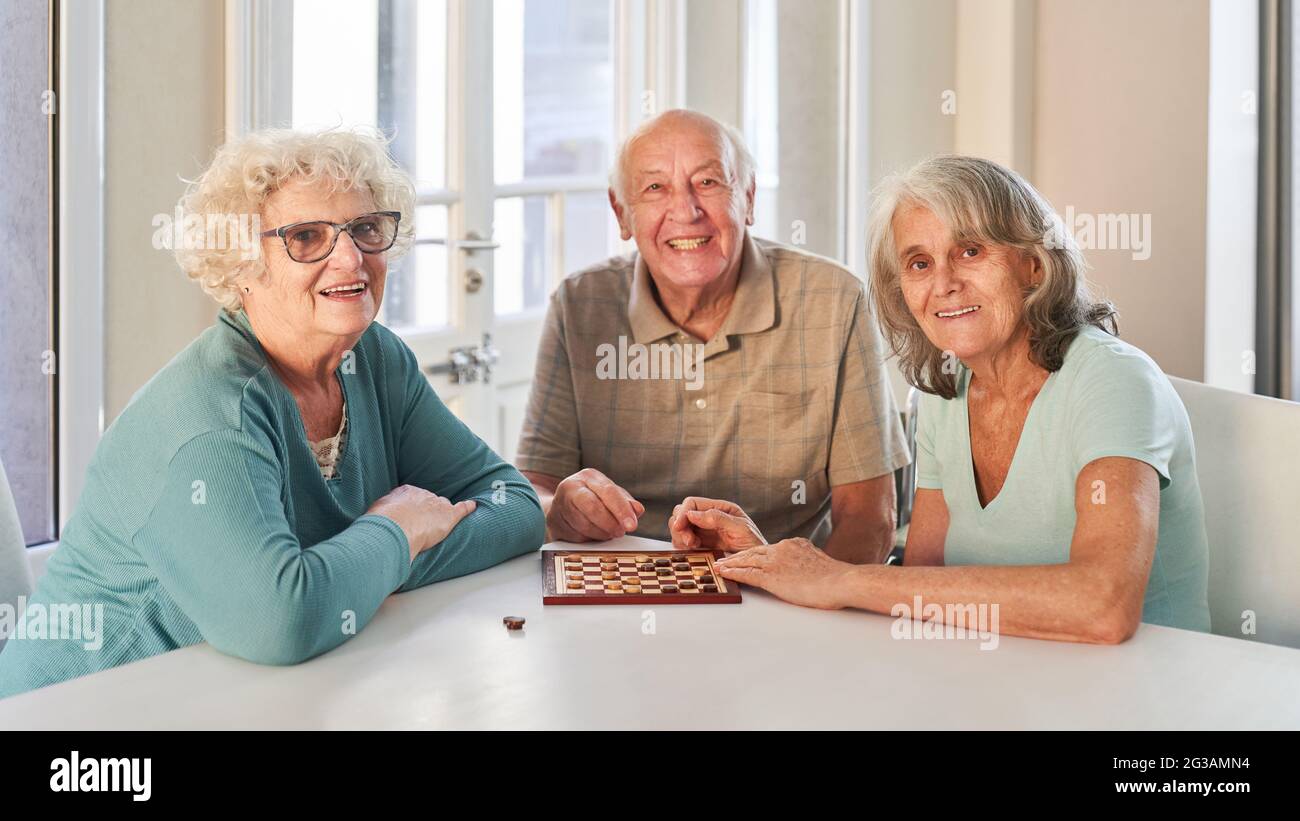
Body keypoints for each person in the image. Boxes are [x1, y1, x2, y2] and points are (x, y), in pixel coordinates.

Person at [0, 129, 545, 696]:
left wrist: (343, 574)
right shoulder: (210, 417)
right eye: (306, 237)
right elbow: (283, 624)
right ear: (240, 265)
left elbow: (515, 508)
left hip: (239, 696)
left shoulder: (375, 360)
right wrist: (398, 531)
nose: (351, 258)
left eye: (365, 229)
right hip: (75, 716)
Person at [673, 155, 1210, 643]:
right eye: (919, 263)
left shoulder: (1113, 380)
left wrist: (837, 577)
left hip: (1144, 694)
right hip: (1005, 681)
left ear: (1033, 264)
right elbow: (920, 588)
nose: (944, 283)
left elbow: (1102, 607)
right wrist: (773, 564)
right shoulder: (944, 391)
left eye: (970, 251)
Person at [516, 109, 909, 564]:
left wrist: (809, 616)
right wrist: (559, 511)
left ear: (749, 197)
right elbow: (534, 489)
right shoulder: (578, 305)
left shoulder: (834, 300)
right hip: (617, 585)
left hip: (782, 595)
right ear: (621, 213)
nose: (686, 211)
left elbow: (869, 517)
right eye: (655, 188)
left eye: (708, 183)